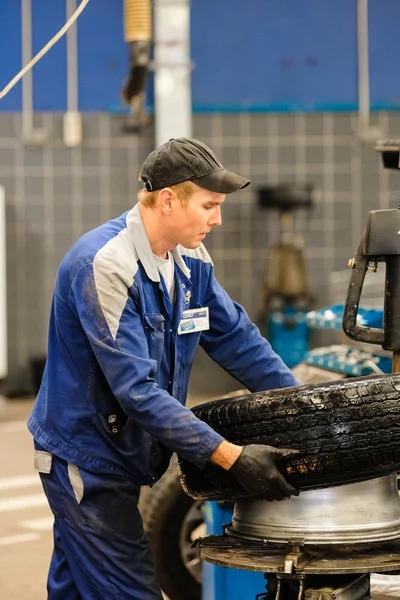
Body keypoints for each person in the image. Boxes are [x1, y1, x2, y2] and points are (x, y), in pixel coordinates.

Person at [28, 137, 300, 599]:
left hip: (124, 452)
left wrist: (300, 406)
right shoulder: (104, 265)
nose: (218, 218)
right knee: (130, 589)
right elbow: (137, 390)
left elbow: (235, 339)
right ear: (169, 200)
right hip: (86, 461)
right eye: (210, 205)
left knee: (77, 585)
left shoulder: (189, 257)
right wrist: (231, 456)